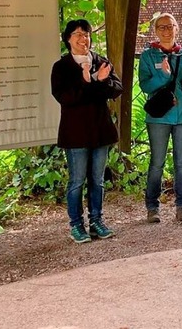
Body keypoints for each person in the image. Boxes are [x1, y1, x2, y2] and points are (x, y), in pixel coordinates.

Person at [51, 19, 123, 243]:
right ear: (68, 39)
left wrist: (99, 81)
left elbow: (116, 88)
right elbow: (65, 98)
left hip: (100, 131)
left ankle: (97, 221)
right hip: (76, 134)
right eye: (78, 34)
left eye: (87, 34)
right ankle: (76, 224)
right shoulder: (61, 67)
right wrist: (88, 81)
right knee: (77, 181)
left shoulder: (100, 61)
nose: (84, 39)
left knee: (98, 180)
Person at [139, 13, 182, 223]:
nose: (166, 31)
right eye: (161, 27)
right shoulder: (147, 56)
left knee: (181, 164)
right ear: (155, 31)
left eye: (169, 26)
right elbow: (145, 85)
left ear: (177, 29)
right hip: (158, 119)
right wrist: (163, 75)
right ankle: (152, 207)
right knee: (157, 163)